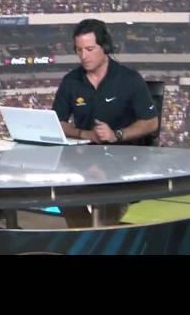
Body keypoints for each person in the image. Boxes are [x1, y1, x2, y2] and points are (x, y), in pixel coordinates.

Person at [52, 19, 159, 227]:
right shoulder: (70, 81)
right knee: (59, 190)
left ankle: (92, 237)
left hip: (123, 162)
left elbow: (151, 122)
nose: (84, 56)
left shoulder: (129, 79)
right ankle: (88, 236)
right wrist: (86, 135)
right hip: (83, 160)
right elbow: (58, 123)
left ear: (105, 47)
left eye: (90, 49)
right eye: (79, 50)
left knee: (107, 206)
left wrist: (116, 135)